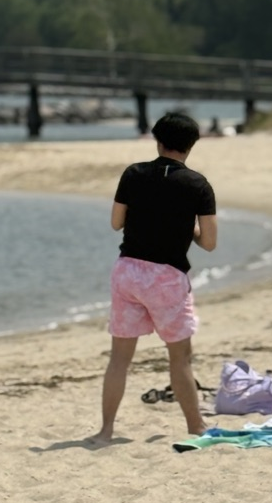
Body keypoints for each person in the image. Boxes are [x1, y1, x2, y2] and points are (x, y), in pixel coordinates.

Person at [89, 112, 217, 445]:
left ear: (157, 141)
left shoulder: (133, 173)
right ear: (191, 145)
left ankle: (105, 431)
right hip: (166, 278)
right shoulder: (198, 184)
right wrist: (186, 228)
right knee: (180, 358)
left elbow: (116, 223)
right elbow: (209, 242)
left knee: (119, 359)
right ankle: (196, 427)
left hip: (128, 271)